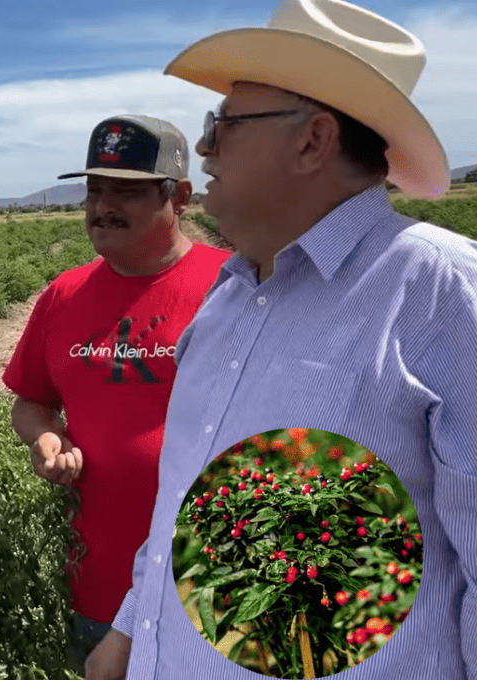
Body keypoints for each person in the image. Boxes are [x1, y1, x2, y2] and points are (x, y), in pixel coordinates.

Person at [83, 1, 477, 679]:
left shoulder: (442, 294)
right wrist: (131, 631)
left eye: (224, 125)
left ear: (312, 140)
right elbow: (186, 499)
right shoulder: (228, 299)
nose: (204, 147)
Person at [1, 114, 231, 671]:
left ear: (178, 197)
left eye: (125, 191)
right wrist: (46, 439)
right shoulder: (64, 294)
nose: (103, 205)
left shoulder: (234, 287)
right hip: (98, 585)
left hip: (216, 584)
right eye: (95, 190)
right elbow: (31, 401)